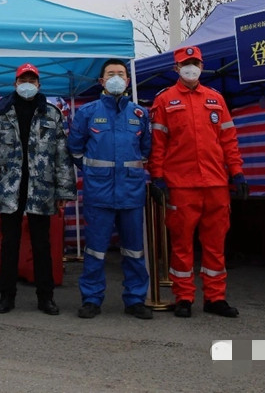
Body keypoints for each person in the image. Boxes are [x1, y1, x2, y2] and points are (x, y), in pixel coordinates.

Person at [149, 45, 248, 319]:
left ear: (202, 67)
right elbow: (157, 144)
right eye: (185, 63)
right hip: (181, 186)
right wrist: (157, 176)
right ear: (176, 68)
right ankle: (184, 297)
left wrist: (237, 172)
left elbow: (229, 140)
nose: (190, 67)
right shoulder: (165, 100)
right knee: (181, 244)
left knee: (216, 244)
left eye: (195, 63)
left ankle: (215, 298)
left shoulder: (216, 99)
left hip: (216, 184)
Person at [0, 63, 76, 315]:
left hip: (41, 189)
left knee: (42, 245)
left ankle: (46, 297)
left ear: (39, 85)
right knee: (9, 244)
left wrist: (64, 191)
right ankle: (6, 296)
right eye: (24, 80)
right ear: (15, 84)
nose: (28, 84)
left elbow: (61, 156)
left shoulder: (52, 114)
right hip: (9, 188)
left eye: (32, 80)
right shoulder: (1, 113)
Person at [68, 59, 152, 320]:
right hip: (99, 193)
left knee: (134, 250)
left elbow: (146, 151)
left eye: (120, 74)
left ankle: (136, 299)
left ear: (127, 81)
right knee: (95, 249)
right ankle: (92, 299)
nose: (116, 78)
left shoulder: (140, 114)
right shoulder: (87, 112)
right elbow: (74, 148)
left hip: (131, 193)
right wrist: (93, 171)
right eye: (110, 74)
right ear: (102, 81)